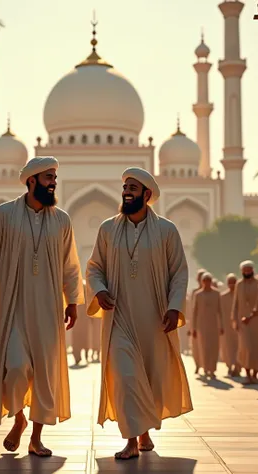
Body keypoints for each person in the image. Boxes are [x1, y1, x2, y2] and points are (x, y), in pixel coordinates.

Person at [0, 156, 84, 457]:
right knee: (16, 368)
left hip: (48, 309)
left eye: (55, 177)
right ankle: (19, 418)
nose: (53, 182)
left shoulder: (62, 219)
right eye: (48, 177)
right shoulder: (4, 214)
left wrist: (73, 300)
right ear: (31, 180)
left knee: (45, 376)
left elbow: (71, 266)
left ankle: (35, 437)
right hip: (13, 307)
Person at [86, 167, 193, 460]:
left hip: (154, 319)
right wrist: (99, 289)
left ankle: (144, 433)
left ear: (147, 195)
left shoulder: (167, 230)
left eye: (133, 187)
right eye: (124, 187)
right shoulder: (108, 229)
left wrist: (174, 307)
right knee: (126, 377)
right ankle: (131, 440)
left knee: (150, 378)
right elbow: (94, 267)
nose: (126, 192)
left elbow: (179, 272)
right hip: (119, 318)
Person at [231, 260, 258, 384]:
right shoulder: (239, 284)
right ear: (242, 271)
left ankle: (255, 374)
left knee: (256, 348)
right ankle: (247, 374)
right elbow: (235, 303)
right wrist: (234, 319)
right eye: (245, 270)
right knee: (245, 348)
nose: (247, 271)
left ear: (252, 270)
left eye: (249, 269)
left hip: (256, 321)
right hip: (242, 322)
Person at [192, 273, 224, 378]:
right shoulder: (198, 294)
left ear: (211, 281)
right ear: (202, 282)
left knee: (214, 347)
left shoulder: (216, 294)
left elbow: (220, 311)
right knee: (204, 347)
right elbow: (194, 312)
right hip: (202, 326)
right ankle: (206, 369)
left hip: (214, 325)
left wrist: (222, 325)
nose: (206, 283)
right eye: (204, 281)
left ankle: (212, 369)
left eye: (208, 280)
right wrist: (194, 328)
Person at [220, 273, 240, 376]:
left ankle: (237, 367)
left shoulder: (240, 295)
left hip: (238, 325)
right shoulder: (223, 297)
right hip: (226, 326)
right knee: (227, 347)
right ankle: (229, 366)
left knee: (239, 347)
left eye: (234, 282)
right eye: (230, 282)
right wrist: (221, 326)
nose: (232, 285)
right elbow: (219, 313)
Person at [188, 269, 206, 373]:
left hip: (208, 324)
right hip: (196, 323)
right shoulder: (195, 292)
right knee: (196, 346)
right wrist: (191, 326)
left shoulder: (212, 291)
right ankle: (198, 365)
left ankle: (206, 366)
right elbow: (191, 309)